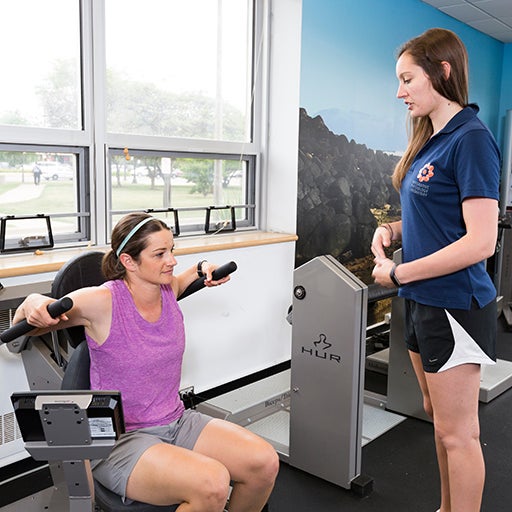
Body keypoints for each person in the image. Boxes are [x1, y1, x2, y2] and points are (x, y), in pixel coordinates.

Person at [13, 212, 279, 512]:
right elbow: (29, 318)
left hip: (176, 422)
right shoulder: (102, 302)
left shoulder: (168, 289)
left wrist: (204, 268)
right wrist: (33, 301)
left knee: (264, 463)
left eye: (172, 250)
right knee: (213, 483)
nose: (172, 261)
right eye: (160, 254)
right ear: (128, 261)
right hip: (122, 440)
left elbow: (187, 275)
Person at [371, 28, 500, 512]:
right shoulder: (433, 136)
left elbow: (481, 240)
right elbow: (441, 213)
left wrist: (400, 274)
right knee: (437, 419)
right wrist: (395, 231)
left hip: (453, 303)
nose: (399, 91)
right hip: (423, 301)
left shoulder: (471, 140)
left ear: (442, 72)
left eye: (407, 79)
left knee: (459, 433)